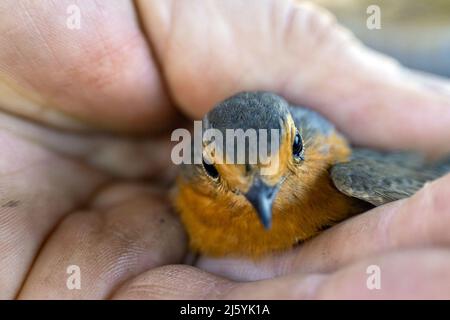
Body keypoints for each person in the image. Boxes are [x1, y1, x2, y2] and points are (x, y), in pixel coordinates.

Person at [1, 0, 450, 299]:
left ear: (300, 139)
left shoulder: (346, 171)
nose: (263, 197)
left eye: (292, 150)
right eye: (217, 174)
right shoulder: (188, 199)